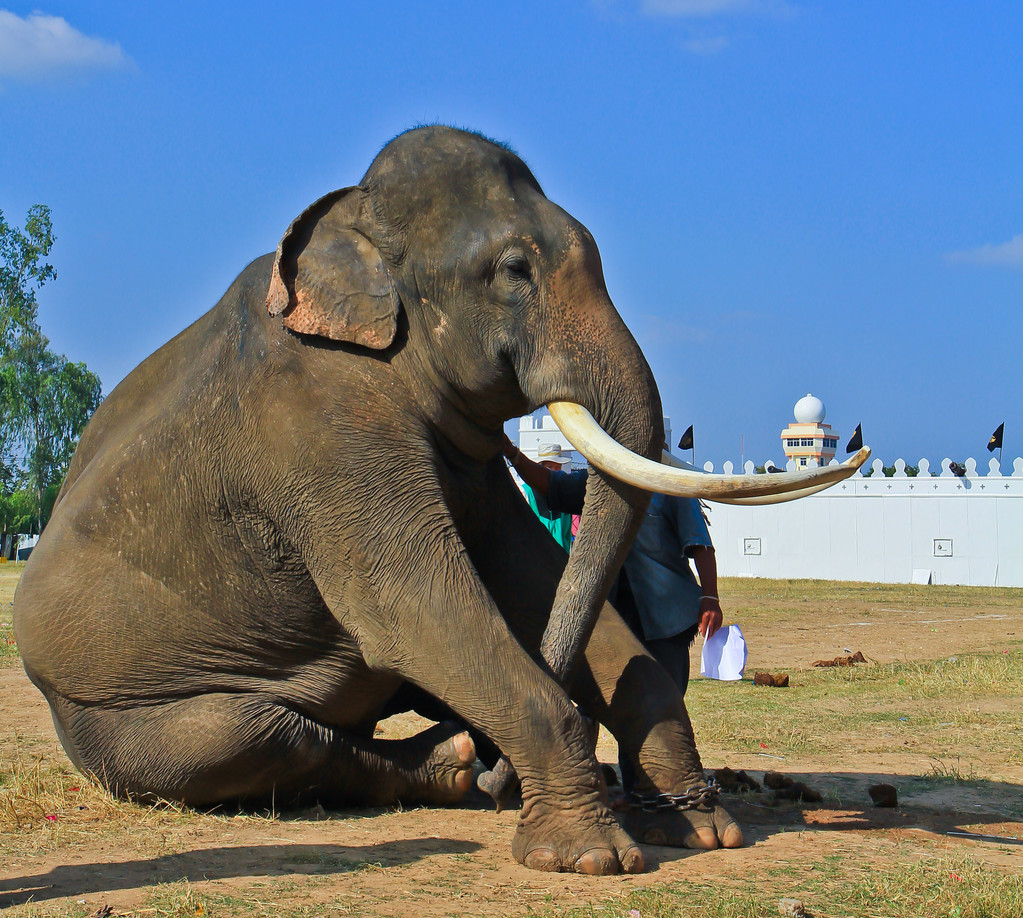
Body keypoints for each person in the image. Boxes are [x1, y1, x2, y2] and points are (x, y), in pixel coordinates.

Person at [503, 434, 724, 791]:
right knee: (626, 700)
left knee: (665, 701)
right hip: (617, 616)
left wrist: (709, 598)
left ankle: (667, 785)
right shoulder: (603, 481)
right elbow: (553, 486)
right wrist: (511, 452)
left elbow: (700, 545)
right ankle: (636, 786)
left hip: (665, 617)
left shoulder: (670, 484)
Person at [504, 440, 578, 552]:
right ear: (540, 467)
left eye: (558, 467)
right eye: (550, 466)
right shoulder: (525, 493)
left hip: (563, 562)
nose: (555, 471)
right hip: (536, 563)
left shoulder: (566, 494)